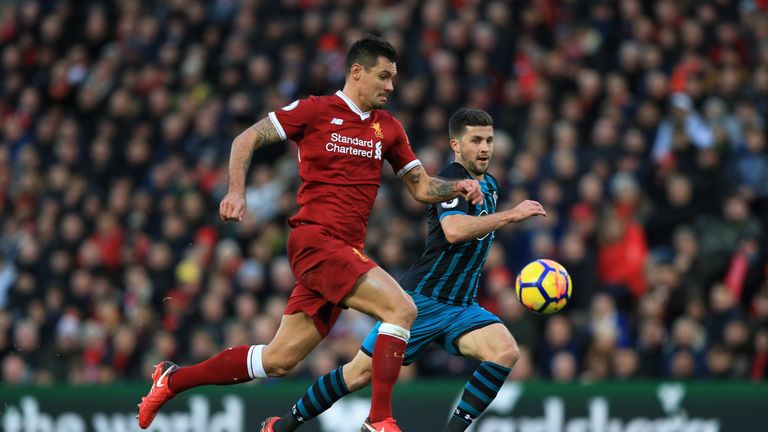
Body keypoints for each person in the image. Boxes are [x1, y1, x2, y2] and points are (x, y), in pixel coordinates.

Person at [136, 36, 482, 432]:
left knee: (278, 360)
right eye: (384, 76)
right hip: (316, 241)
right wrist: (235, 190)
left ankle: (172, 379)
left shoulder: (388, 128)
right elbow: (245, 138)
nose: (391, 86)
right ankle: (380, 420)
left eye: (394, 78)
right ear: (357, 72)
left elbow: (420, 187)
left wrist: (455, 187)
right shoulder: (316, 110)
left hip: (344, 251)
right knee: (401, 309)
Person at [259, 108, 546, 432]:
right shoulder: (452, 179)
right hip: (421, 300)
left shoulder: (491, 185)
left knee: (505, 351)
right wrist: (511, 216)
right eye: (476, 140)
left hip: (462, 306)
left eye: (489, 140)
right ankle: (283, 425)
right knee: (358, 374)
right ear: (456, 144)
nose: (484, 148)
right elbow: (453, 229)